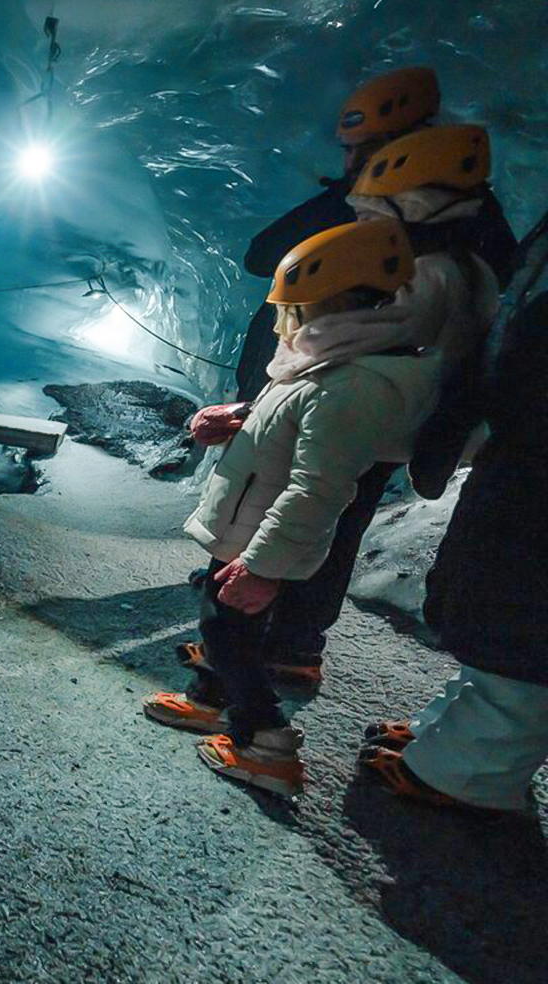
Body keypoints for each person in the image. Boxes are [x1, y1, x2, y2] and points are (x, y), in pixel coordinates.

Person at [184, 69, 516, 686]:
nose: (351, 164)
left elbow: (327, 316)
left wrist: (264, 403)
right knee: (327, 509)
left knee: (303, 504)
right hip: (373, 401)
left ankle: (259, 651)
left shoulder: (415, 236)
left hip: (354, 401)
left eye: (357, 151)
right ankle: (282, 643)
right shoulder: (462, 224)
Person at [145, 218, 443, 797]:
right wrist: (239, 417)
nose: (286, 324)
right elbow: (289, 417)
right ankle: (211, 700)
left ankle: (265, 744)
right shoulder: (329, 362)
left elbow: (318, 489)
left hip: (262, 539)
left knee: (227, 627)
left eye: (295, 309)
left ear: (337, 307)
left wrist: (263, 567)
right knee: (224, 624)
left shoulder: (351, 384)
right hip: (247, 527)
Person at [359, 231, 548, 812]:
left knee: (527, 612)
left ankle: (472, 773)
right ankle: (454, 733)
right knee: (497, 590)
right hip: (525, 454)